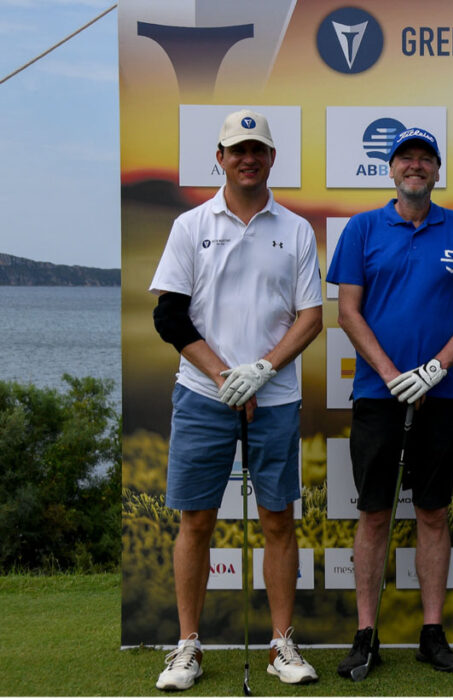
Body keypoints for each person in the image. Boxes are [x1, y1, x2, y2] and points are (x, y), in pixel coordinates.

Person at [149, 109, 323, 690]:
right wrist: (226, 376)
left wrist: (261, 371)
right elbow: (169, 315)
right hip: (202, 393)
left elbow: (311, 318)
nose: (248, 158)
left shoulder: (295, 229)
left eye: (258, 150)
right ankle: (187, 646)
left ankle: (281, 644)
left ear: (272, 158)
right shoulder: (190, 225)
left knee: (278, 519)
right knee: (196, 520)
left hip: (274, 399)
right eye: (236, 150)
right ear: (218, 159)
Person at [326, 127, 453, 677]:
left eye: (425, 159)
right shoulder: (362, 228)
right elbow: (348, 311)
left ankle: (431, 633)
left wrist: (436, 368)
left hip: (440, 396)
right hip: (378, 394)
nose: (415, 167)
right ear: (390, 170)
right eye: (406, 159)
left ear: (437, 171)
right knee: (373, 515)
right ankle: (366, 634)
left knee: (433, 512)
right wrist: (393, 374)